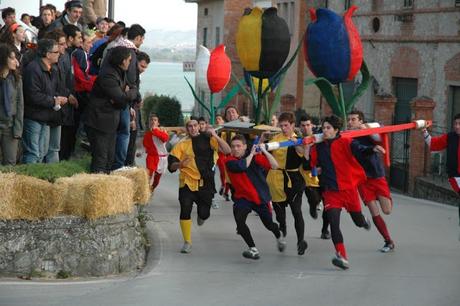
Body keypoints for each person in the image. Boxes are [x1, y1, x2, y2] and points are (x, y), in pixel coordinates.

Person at [306, 115, 382, 270]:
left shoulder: (346, 142)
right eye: (324, 128)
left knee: (357, 221)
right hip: (331, 192)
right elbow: (311, 168)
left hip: (348, 190)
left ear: (336, 130)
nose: (325, 131)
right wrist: (316, 169)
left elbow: (360, 149)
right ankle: (342, 256)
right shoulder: (318, 147)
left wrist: (372, 149)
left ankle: (363, 221)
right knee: (334, 223)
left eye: (328, 128)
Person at [168, 117, 231, 254]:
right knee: (185, 209)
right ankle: (187, 242)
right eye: (189, 126)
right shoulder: (181, 144)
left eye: (195, 125)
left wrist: (215, 135)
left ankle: (202, 216)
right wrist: (180, 165)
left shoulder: (209, 139)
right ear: (186, 129)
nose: (193, 128)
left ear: (199, 126)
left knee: (204, 214)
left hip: (205, 184)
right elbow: (171, 166)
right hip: (186, 182)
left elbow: (227, 150)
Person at [225, 134, 286, 259]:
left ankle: (278, 235)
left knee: (269, 224)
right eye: (233, 146)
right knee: (240, 221)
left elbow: (274, 165)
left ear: (244, 147)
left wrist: (264, 151)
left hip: (259, 197)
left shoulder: (255, 157)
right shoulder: (229, 161)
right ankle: (253, 249)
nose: (235, 149)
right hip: (243, 198)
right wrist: (252, 154)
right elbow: (242, 166)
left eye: (238, 146)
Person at [84, 46, 137, 173]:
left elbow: (129, 90)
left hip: (109, 122)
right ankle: (97, 187)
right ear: (123, 60)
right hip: (99, 122)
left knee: (109, 158)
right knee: (101, 159)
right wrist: (128, 94)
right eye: (129, 60)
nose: (130, 63)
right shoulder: (108, 75)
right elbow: (120, 98)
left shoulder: (118, 72)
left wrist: (127, 94)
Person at [348, 110, 395, 252]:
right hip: (362, 180)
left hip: (376, 175)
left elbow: (380, 133)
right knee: (374, 211)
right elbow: (358, 149)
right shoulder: (348, 137)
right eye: (349, 120)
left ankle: (387, 198)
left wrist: (367, 129)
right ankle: (388, 241)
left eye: (354, 119)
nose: (350, 122)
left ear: (360, 121)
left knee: (386, 210)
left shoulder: (368, 131)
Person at [266, 112, 308, 255]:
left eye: (286, 125)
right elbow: (265, 152)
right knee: (280, 215)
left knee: (296, 211)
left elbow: (304, 155)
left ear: (292, 125)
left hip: (294, 179)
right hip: (276, 178)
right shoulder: (275, 140)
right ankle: (282, 237)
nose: (284, 128)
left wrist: (297, 144)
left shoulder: (299, 140)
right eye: (281, 125)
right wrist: (262, 141)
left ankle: (300, 241)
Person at [22, 39, 68, 164]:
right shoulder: (33, 69)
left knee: (41, 153)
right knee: (33, 153)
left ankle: (38, 181)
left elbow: (52, 90)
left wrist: (57, 99)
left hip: (45, 116)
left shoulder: (51, 68)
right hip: (34, 117)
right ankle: (28, 181)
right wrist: (54, 100)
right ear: (48, 54)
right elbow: (33, 95)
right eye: (56, 52)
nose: (59, 54)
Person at [422, 113, 460, 240]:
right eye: (455, 124)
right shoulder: (450, 137)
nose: (457, 126)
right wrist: (424, 132)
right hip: (455, 176)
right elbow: (434, 144)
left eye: (459, 124)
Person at [299, 114, 330, 239]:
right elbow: (305, 165)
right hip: (308, 179)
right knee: (315, 200)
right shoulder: (297, 141)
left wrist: (323, 167)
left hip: (324, 176)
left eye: (308, 125)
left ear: (312, 125)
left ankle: (325, 230)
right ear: (299, 127)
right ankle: (313, 205)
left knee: (328, 204)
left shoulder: (321, 137)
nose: (306, 128)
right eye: (303, 125)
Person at [0, 43, 23, 165]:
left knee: (10, 163)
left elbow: (20, 105)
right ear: (4, 59)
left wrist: (18, 129)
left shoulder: (17, 79)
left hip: (10, 126)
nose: (16, 62)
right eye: (12, 58)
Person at [143, 113, 169, 192]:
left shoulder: (162, 131)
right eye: (151, 120)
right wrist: (141, 152)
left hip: (162, 158)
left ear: (158, 123)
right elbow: (146, 146)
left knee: (157, 179)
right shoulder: (147, 134)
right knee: (148, 176)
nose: (153, 122)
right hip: (152, 157)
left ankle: (151, 189)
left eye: (155, 120)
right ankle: (145, 191)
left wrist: (155, 130)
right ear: (149, 122)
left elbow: (165, 138)